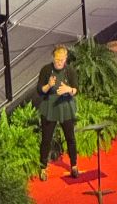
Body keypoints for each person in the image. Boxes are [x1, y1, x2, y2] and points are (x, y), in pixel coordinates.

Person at [37, 44, 79, 181]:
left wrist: (69, 90)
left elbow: (76, 89)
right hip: (50, 108)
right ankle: (43, 167)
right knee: (46, 139)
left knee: (70, 138)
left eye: (62, 60)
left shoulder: (70, 70)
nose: (59, 62)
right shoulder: (46, 70)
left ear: (66, 58)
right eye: (57, 60)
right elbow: (39, 90)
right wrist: (48, 85)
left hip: (65, 107)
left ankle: (74, 165)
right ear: (53, 57)